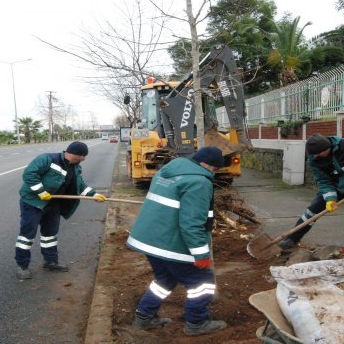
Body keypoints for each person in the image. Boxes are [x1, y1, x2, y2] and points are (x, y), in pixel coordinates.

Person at [126, 146, 227, 336]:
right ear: (207, 165)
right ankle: (197, 323)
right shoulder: (199, 182)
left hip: (149, 239)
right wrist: (201, 254)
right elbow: (191, 223)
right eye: (214, 170)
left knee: (165, 280)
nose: (213, 174)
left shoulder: (168, 171)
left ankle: (144, 316)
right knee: (202, 282)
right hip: (168, 243)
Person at [15, 141, 107, 280]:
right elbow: (29, 174)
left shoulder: (76, 167)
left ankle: (50, 262)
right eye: (83, 156)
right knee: (27, 235)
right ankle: (22, 266)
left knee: (50, 235)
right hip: (33, 202)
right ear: (76, 154)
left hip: (53, 203)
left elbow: (80, 185)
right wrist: (40, 191)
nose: (84, 159)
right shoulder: (47, 159)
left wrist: (94, 194)